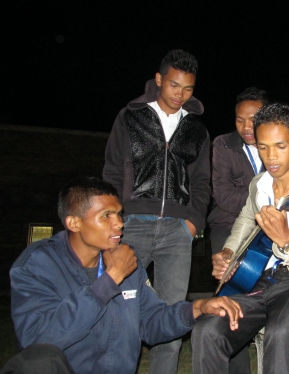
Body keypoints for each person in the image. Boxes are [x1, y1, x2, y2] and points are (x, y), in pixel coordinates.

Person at [9, 177, 242, 374]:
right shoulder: (39, 265)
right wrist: (109, 280)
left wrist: (198, 308)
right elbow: (38, 342)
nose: (119, 223)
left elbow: (150, 322)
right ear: (74, 223)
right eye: (106, 216)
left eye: (119, 214)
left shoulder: (126, 260)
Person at [192, 103, 289, 374]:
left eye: (280, 146)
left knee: (282, 329)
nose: (271, 157)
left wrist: (286, 241)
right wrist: (229, 251)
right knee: (208, 328)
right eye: (263, 147)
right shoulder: (259, 184)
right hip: (257, 281)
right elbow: (244, 218)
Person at [102, 49, 211, 374]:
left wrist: (193, 223)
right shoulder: (130, 117)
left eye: (188, 88)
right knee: (120, 313)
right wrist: (114, 220)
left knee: (171, 317)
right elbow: (111, 171)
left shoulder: (197, 130)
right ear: (160, 79)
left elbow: (202, 181)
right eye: (175, 85)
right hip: (132, 226)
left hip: (177, 234)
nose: (181, 94)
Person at [207, 87, 269, 255]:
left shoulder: (276, 147)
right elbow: (223, 196)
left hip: (268, 227)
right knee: (227, 275)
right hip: (227, 224)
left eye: (253, 120)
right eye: (240, 120)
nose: (246, 127)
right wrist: (267, 197)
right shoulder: (223, 144)